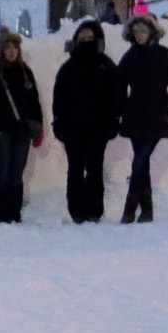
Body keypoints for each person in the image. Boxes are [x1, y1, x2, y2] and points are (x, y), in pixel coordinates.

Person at [116, 14, 168, 223]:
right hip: (134, 116)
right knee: (142, 162)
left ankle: (130, 207)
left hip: (156, 116)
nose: (140, 35)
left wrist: (167, 105)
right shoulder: (129, 57)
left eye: (143, 31)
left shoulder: (164, 55)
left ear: (152, 33)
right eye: (136, 31)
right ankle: (147, 211)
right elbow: (119, 84)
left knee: (139, 160)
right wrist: (122, 107)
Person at [52, 19, 118, 223]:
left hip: (99, 129)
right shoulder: (68, 67)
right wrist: (58, 121)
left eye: (90, 36)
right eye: (83, 36)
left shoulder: (106, 66)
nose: (86, 40)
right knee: (75, 169)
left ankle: (94, 210)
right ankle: (77, 211)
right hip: (73, 129)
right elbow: (59, 97)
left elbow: (116, 96)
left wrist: (114, 120)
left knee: (95, 170)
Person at [0, 28, 44, 223]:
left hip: (21, 129)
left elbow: (34, 100)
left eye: (15, 48)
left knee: (17, 171)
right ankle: (2, 214)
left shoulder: (24, 71)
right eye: (8, 47)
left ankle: (14, 213)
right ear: (1, 49)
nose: (12, 52)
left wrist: (38, 125)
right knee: (2, 169)